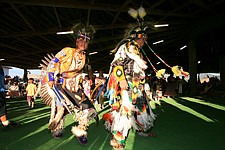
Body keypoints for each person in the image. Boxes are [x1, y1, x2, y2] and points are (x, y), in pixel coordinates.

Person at [103, 7, 156, 149]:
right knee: (124, 112)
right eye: (142, 37)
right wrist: (121, 80)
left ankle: (142, 130)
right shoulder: (126, 47)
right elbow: (117, 64)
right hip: (126, 86)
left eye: (145, 37)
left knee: (142, 109)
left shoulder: (138, 51)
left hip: (138, 87)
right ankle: (117, 140)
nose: (144, 40)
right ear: (136, 37)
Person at [39, 23, 98, 145]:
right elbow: (52, 63)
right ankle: (57, 128)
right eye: (81, 40)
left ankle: (81, 131)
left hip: (75, 86)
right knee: (61, 108)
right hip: (62, 85)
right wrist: (50, 78)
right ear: (76, 42)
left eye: (86, 41)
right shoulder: (67, 51)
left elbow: (82, 71)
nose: (83, 43)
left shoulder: (85, 57)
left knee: (88, 108)